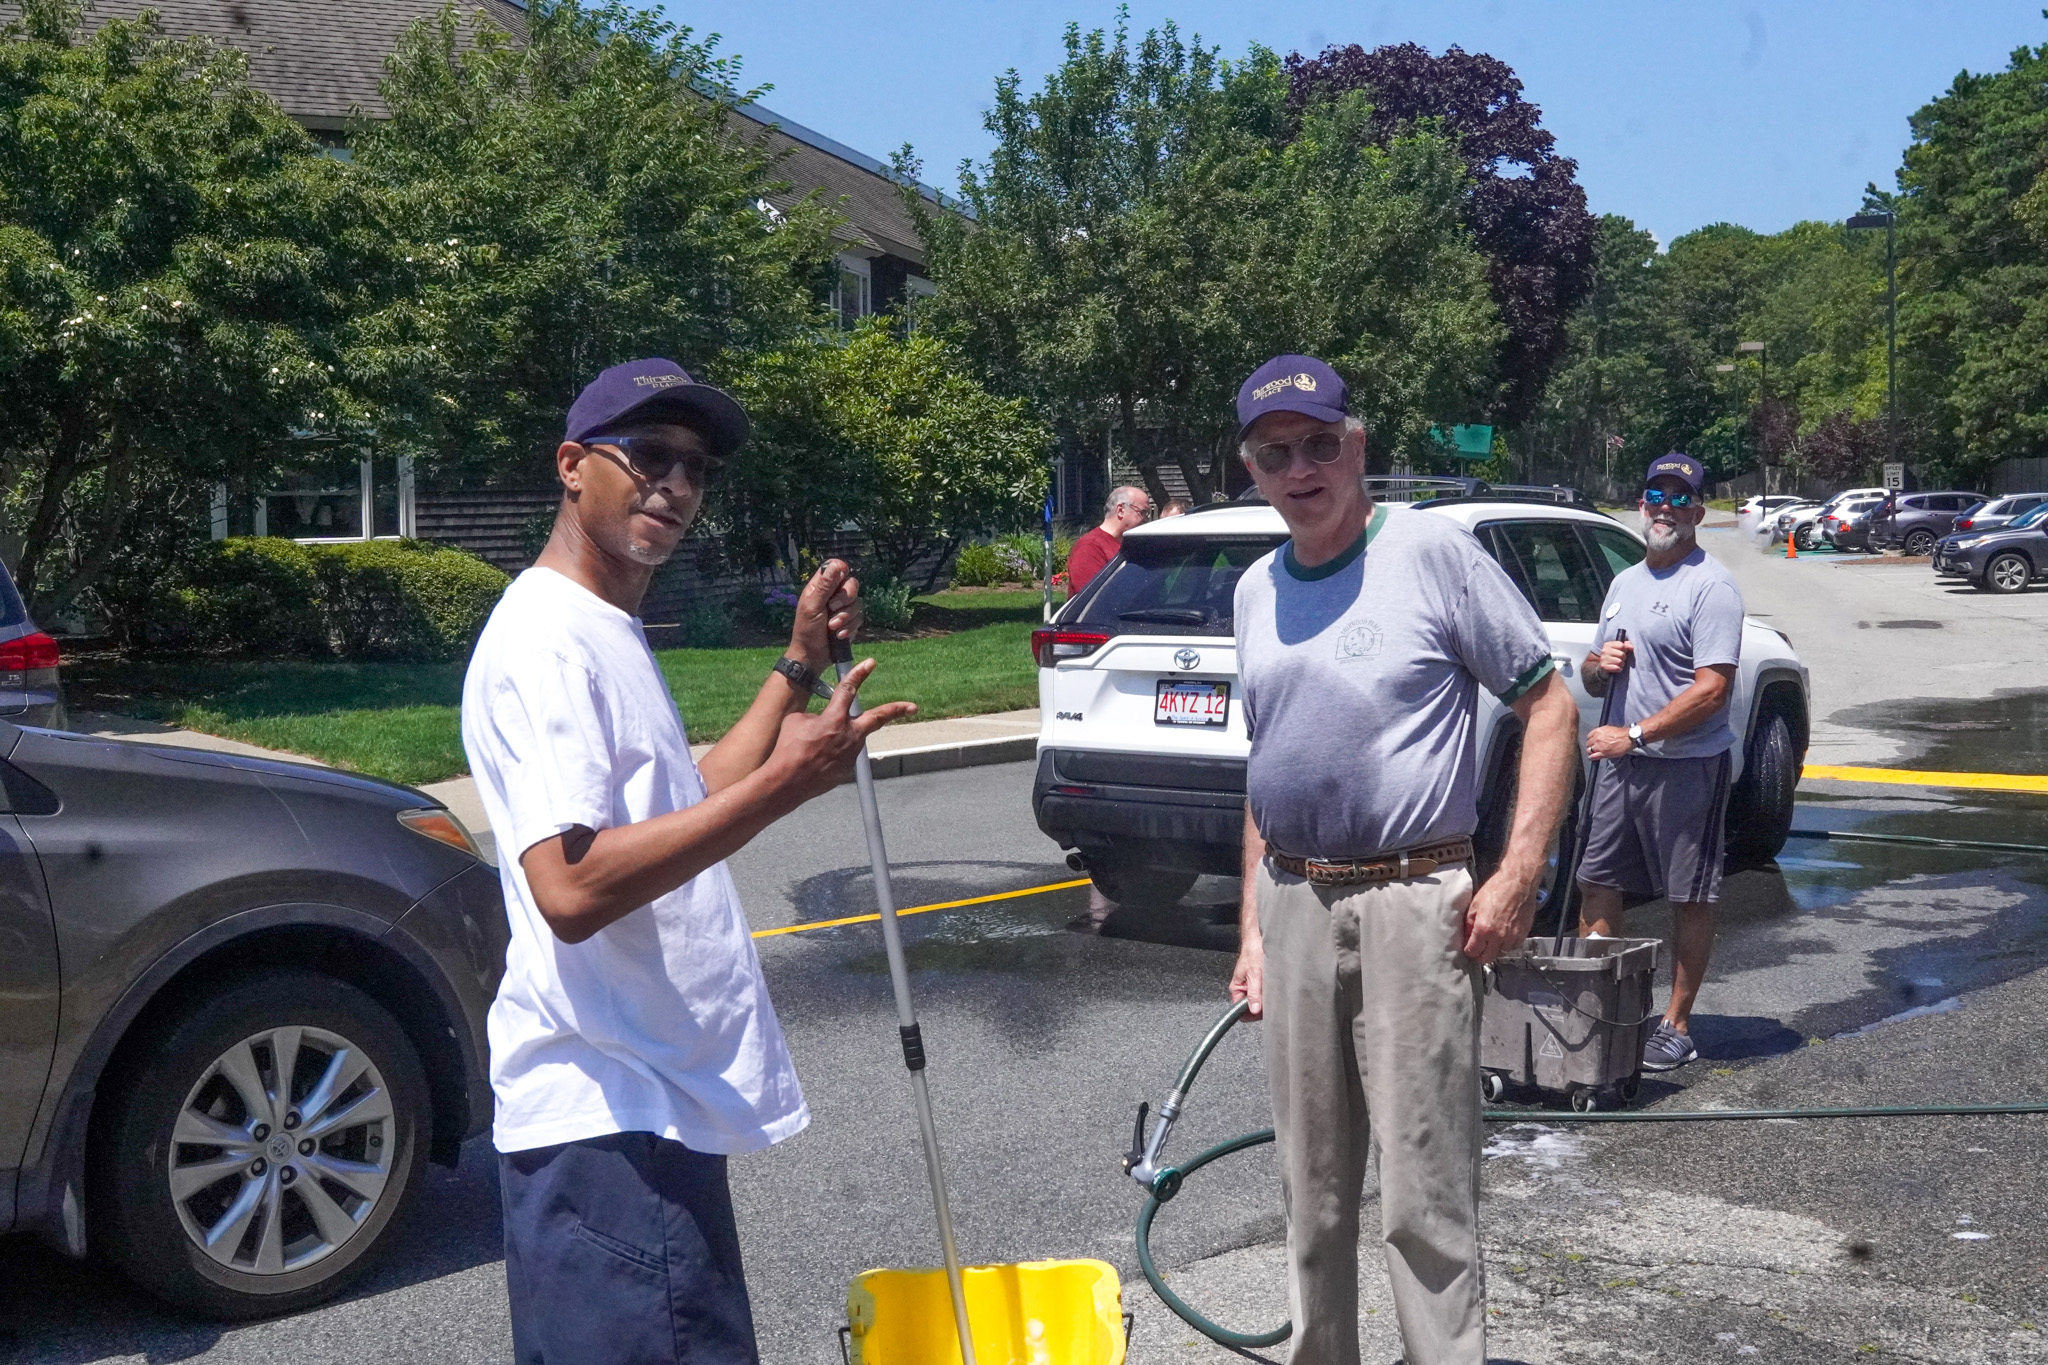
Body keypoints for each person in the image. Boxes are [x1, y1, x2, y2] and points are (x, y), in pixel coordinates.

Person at [461, 357, 917, 1364]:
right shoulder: (545, 642)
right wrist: (787, 787)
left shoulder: (602, 626)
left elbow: (685, 799)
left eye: (695, 468)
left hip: (647, 1111)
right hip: (607, 1122)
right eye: (649, 455)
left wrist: (793, 669)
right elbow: (570, 887)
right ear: (573, 466)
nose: (674, 483)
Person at [1226, 355, 1578, 1364]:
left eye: (1318, 444)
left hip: (1411, 899)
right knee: (1312, 1191)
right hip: (1292, 902)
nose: (1300, 468)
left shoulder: (1428, 552)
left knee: (1422, 1196)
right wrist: (1252, 928)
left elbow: (1546, 704)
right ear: (1250, 467)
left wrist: (1514, 878)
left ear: (1357, 446)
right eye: (1274, 452)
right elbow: (1264, 762)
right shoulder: (1255, 590)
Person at [1575, 452, 1744, 1072]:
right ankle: (1595, 1005)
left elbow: (1712, 690)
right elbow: (1595, 675)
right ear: (1642, 503)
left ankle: (1676, 1023)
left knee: (1688, 895)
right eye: (1656, 495)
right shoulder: (1624, 583)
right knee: (1598, 879)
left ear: (1697, 513)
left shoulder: (1712, 586)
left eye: (1679, 498)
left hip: (1685, 766)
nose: (1665, 507)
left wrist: (1637, 736)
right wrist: (1598, 667)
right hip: (1621, 766)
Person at [1065, 484, 1153, 593]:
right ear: (1121, 510)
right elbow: (1092, 597)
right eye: (1143, 512)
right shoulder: (1090, 547)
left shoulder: (1131, 544)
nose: (1146, 519)